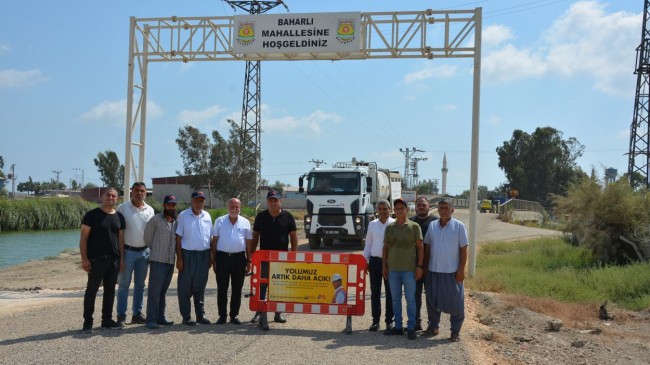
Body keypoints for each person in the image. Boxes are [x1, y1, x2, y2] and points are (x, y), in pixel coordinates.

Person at [249, 190, 298, 331]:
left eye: (275, 200)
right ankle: (259, 312)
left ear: (280, 201)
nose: (273, 202)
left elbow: (294, 236)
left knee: (279, 286)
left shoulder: (288, 216)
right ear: (267, 202)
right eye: (270, 200)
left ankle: (278, 313)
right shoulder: (261, 216)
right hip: (264, 258)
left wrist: (293, 254)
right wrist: (252, 254)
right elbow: (255, 235)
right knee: (262, 286)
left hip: (281, 259)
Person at [80, 187, 125, 333]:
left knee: (110, 291)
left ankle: (107, 320)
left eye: (113, 196)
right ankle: (88, 323)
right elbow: (83, 238)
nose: (110, 198)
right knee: (91, 291)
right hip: (96, 260)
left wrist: (121, 259)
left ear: (117, 199)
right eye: (108, 195)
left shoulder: (119, 217)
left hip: (113, 261)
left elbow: (121, 240)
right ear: (102, 196)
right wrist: (84, 259)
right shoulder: (91, 215)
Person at [422, 199, 468, 342]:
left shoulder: (459, 227)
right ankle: (433, 326)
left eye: (446, 208)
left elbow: (463, 249)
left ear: (452, 210)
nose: (443, 210)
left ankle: (455, 331)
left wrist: (461, 270)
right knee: (432, 301)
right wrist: (424, 268)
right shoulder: (432, 226)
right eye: (441, 207)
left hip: (451, 272)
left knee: (456, 303)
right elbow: (428, 247)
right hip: (433, 270)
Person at [382, 198, 424, 341]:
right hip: (393, 270)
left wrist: (419, 266)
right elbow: (386, 248)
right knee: (395, 299)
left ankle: (411, 327)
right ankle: (398, 326)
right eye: (397, 208)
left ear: (407, 210)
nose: (399, 210)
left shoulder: (414, 227)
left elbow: (420, 247)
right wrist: (384, 266)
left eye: (402, 208)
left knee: (411, 299)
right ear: (394, 210)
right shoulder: (390, 228)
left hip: (409, 271)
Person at [116, 182, 155, 326]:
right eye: (137, 190)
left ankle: (137, 314)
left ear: (146, 193)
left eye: (142, 191)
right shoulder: (122, 208)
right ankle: (121, 315)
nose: (140, 193)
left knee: (140, 285)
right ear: (132, 191)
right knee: (124, 285)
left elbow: (152, 232)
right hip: (127, 252)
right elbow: (118, 233)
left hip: (144, 253)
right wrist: (120, 256)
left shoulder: (150, 210)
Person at [211, 197, 253, 325]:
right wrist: (214, 259)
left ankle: (234, 315)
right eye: (232, 206)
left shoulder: (245, 222)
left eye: (237, 207)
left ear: (240, 208)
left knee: (237, 289)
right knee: (222, 288)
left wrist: (249, 260)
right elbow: (214, 242)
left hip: (239, 259)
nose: (234, 209)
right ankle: (222, 316)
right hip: (222, 258)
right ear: (227, 207)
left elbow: (248, 243)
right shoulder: (219, 221)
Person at [175, 191, 213, 326]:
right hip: (188, 255)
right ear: (192, 200)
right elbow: (178, 237)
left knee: (200, 286)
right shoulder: (183, 216)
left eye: (202, 200)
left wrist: (210, 257)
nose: (199, 203)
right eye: (197, 200)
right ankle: (186, 316)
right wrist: (179, 258)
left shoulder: (207, 216)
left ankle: (200, 315)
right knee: (185, 287)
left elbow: (210, 238)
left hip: (204, 254)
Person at [143, 195, 178, 329]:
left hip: (170, 261)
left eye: (173, 205)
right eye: (169, 204)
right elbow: (147, 239)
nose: (171, 207)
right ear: (164, 205)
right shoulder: (155, 220)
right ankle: (151, 319)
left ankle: (161, 317)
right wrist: (157, 249)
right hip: (158, 260)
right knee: (154, 291)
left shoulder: (176, 221)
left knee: (163, 291)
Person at [362, 199, 395, 332]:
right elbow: (368, 244)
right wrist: (364, 261)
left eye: (385, 209)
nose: (382, 211)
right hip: (374, 262)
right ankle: (375, 321)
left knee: (390, 292)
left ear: (390, 209)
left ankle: (389, 321)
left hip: (390, 262)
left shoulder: (394, 224)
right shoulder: (372, 224)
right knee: (375, 292)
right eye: (379, 209)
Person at [409, 196, 438, 331]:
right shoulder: (410, 223)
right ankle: (416, 322)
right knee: (415, 296)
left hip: (431, 267)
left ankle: (433, 324)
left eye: (424, 205)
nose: (421, 207)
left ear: (429, 206)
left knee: (432, 297)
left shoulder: (436, 223)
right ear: (415, 207)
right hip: (413, 266)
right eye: (419, 205)